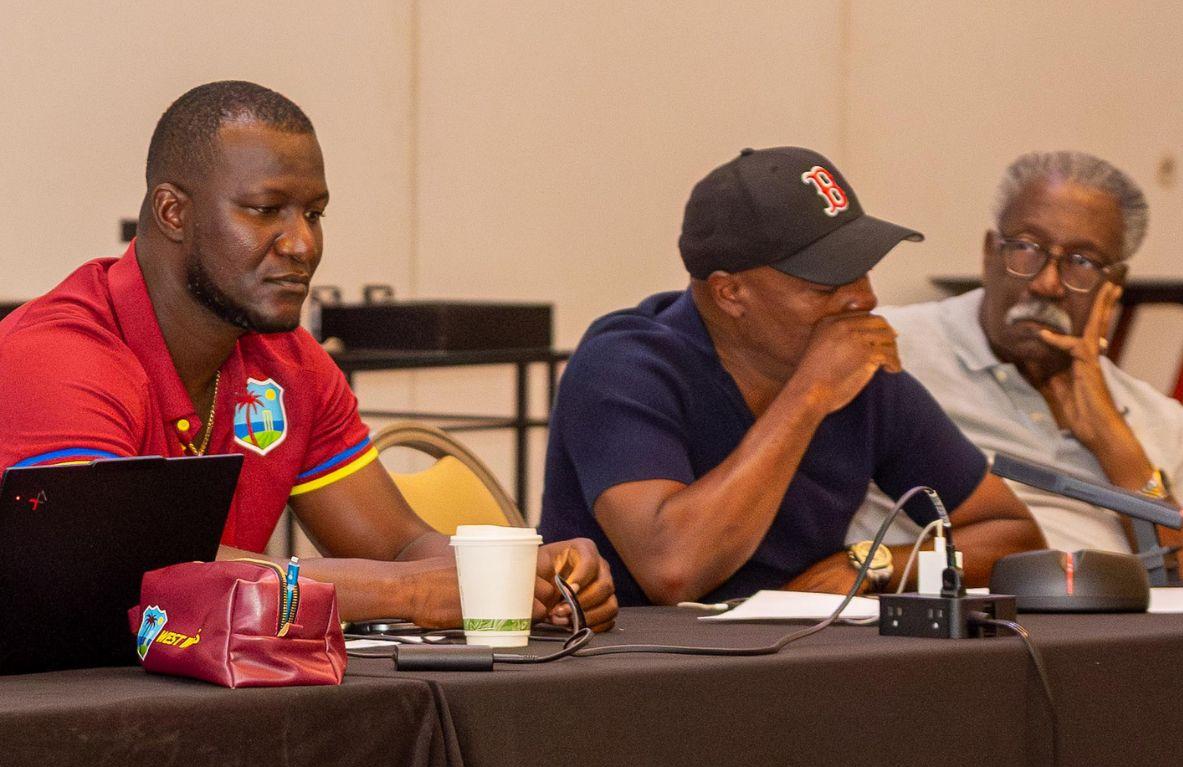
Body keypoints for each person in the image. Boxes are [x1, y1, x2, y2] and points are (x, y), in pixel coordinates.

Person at [0, 81, 617, 629]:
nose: (301, 243)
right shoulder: (60, 354)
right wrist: (410, 594)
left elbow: (398, 547)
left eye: (314, 214)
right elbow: (115, 570)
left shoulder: (290, 363)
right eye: (265, 211)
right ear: (173, 212)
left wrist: (521, 574)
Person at [539, 146, 1043, 606]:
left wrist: (873, 564)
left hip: (797, 662)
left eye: (864, 270)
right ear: (729, 293)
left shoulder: (859, 377)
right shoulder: (627, 366)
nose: (862, 299)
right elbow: (673, 571)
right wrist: (809, 396)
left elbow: (1010, 537)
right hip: (634, 672)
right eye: (827, 283)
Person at [852, 151, 1183, 576]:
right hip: (949, 628)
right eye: (1026, 248)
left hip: (1117, 635)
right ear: (988, 254)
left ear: (1114, 286)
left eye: (1082, 262)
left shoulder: (1163, 424)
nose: (1046, 283)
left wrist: (1116, 445)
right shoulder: (887, 350)